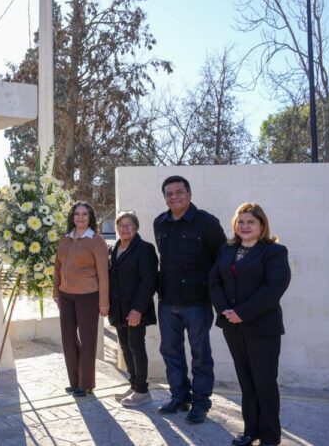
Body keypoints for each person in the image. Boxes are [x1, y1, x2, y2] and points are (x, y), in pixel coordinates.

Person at [209, 203, 290, 446]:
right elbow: (214, 281)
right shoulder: (227, 248)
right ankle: (250, 431)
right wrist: (225, 310)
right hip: (232, 327)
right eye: (241, 221)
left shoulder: (274, 251)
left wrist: (242, 312)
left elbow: (275, 287)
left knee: (264, 382)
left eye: (251, 222)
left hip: (262, 327)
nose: (245, 226)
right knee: (246, 381)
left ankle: (270, 436)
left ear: (262, 225)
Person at [153, 175, 226, 424]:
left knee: (200, 355)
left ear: (189, 194)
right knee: (171, 352)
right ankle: (179, 397)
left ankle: (201, 403)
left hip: (198, 302)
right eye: (169, 194)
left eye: (179, 192)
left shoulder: (207, 223)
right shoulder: (160, 223)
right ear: (165, 198)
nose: (174, 197)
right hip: (167, 301)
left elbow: (221, 261)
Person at [53, 201, 109, 398]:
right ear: (72, 217)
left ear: (90, 217)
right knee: (68, 339)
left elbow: (103, 275)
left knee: (87, 340)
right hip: (66, 297)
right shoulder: (65, 240)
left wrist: (103, 303)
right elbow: (57, 268)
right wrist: (56, 292)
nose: (80, 217)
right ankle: (74, 382)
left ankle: (86, 384)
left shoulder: (97, 241)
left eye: (84, 214)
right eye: (77, 214)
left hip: (88, 297)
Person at [108, 210, 158, 407]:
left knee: (136, 347)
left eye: (128, 225)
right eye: (120, 225)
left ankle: (143, 391)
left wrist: (137, 309)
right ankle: (134, 384)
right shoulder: (114, 248)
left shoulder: (145, 248)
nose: (124, 229)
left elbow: (149, 281)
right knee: (126, 348)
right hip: (118, 309)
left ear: (136, 227)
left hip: (136, 309)